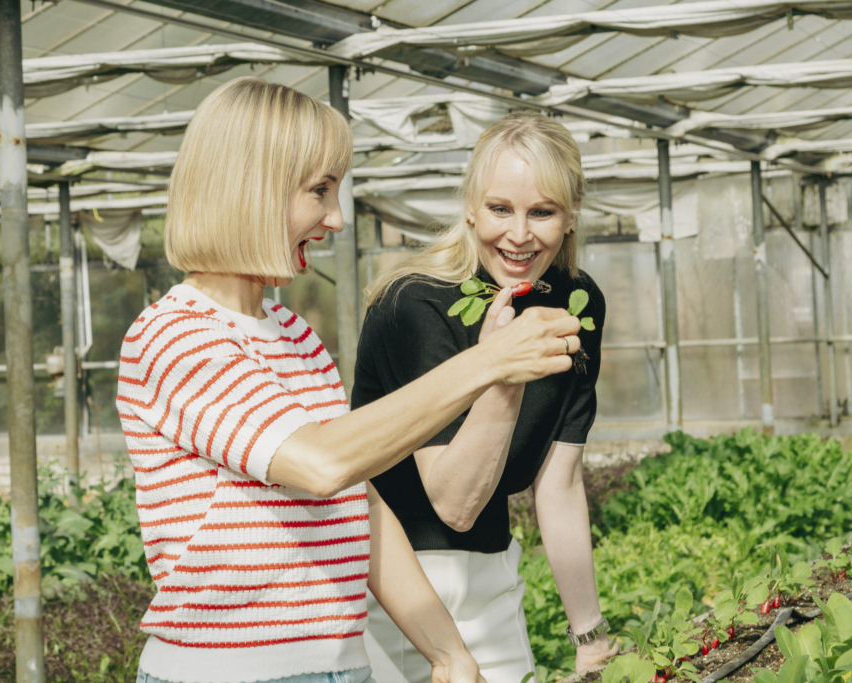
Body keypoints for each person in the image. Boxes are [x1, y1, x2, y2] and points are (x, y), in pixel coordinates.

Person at [116, 79, 583, 683]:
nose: (336, 219)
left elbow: (355, 503)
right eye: (319, 191)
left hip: (339, 667)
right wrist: (488, 363)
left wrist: (448, 652)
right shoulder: (174, 337)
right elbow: (320, 463)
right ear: (250, 188)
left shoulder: (293, 336)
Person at [352, 111, 619, 683]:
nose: (518, 235)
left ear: (570, 217)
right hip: (395, 597)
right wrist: (501, 370)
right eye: (500, 209)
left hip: (494, 577)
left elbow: (561, 479)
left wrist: (590, 636)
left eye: (541, 212)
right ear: (470, 205)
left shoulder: (577, 303)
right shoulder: (415, 303)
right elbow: (455, 502)